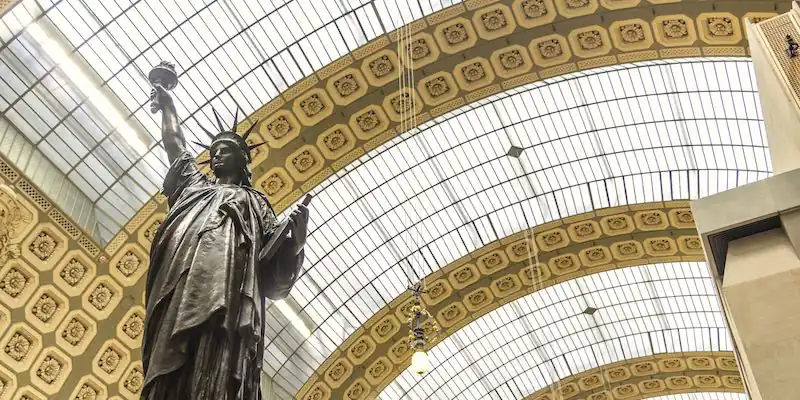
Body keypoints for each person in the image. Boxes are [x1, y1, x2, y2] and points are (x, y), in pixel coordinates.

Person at [141, 83, 309, 400]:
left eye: (225, 150)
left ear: (243, 160)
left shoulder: (255, 202)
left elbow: (275, 278)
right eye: (214, 150)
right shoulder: (194, 187)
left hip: (230, 297)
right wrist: (168, 108)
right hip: (181, 284)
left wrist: (296, 244)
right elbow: (175, 146)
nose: (217, 154)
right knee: (171, 357)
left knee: (216, 353)